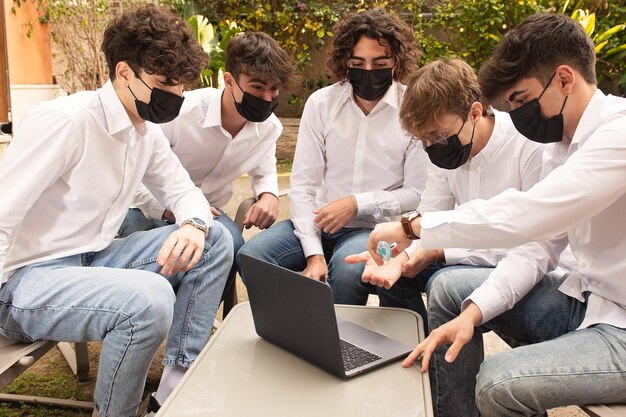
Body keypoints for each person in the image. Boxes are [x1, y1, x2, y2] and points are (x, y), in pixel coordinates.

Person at [367, 12, 626, 417]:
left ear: (564, 78)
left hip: (621, 327)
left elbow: (527, 216)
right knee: (452, 291)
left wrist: (415, 228)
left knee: (499, 383)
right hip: (588, 301)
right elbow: (535, 246)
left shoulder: (618, 136)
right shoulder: (562, 147)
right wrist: (471, 314)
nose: (518, 114)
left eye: (521, 100)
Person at [0, 5, 233, 417]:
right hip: (24, 281)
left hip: (92, 261)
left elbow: (184, 192)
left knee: (215, 237)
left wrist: (194, 224)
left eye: (181, 86)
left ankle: (177, 380)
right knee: (149, 299)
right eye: (165, 84)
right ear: (124, 72)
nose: (176, 97)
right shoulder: (65, 122)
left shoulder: (145, 133)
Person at [237, 8, 429, 305]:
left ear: (396, 61)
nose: (368, 70)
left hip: (372, 229)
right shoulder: (322, 103)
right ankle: (291, 329)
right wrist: (313, 253)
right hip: (318, 221)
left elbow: (416, 193)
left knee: (348, 268)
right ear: (345, 62)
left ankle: (336, 344)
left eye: (380, 63)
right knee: (254, 256)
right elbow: (303, 185)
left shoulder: (412, 107)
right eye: (358, 63)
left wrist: (356, 204)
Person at [345, 58, 552, 329]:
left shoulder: (529, 147)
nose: (433, 147)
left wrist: (436, 250)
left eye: (438, 137)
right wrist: (404, 256)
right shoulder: (445, 153)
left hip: (533, 268)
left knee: (445, 285)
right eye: (424, 141)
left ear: (475, 112)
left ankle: (448, 370)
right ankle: (410, 355)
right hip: (474, 256)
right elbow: (431, 215)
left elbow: (530, 245)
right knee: (392, 270)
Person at [118, 32, 294, 293]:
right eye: (257, 87)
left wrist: (269, 195)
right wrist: (169, 208)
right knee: (154, 263)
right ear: (229, 81)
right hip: (147, 207)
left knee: (230, 244)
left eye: (274, 88)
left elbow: (264, 169)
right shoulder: (180, 112)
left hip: (209, 213)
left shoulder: (268, 128)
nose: (267, 98)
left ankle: (189, 318)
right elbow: (133, 173)